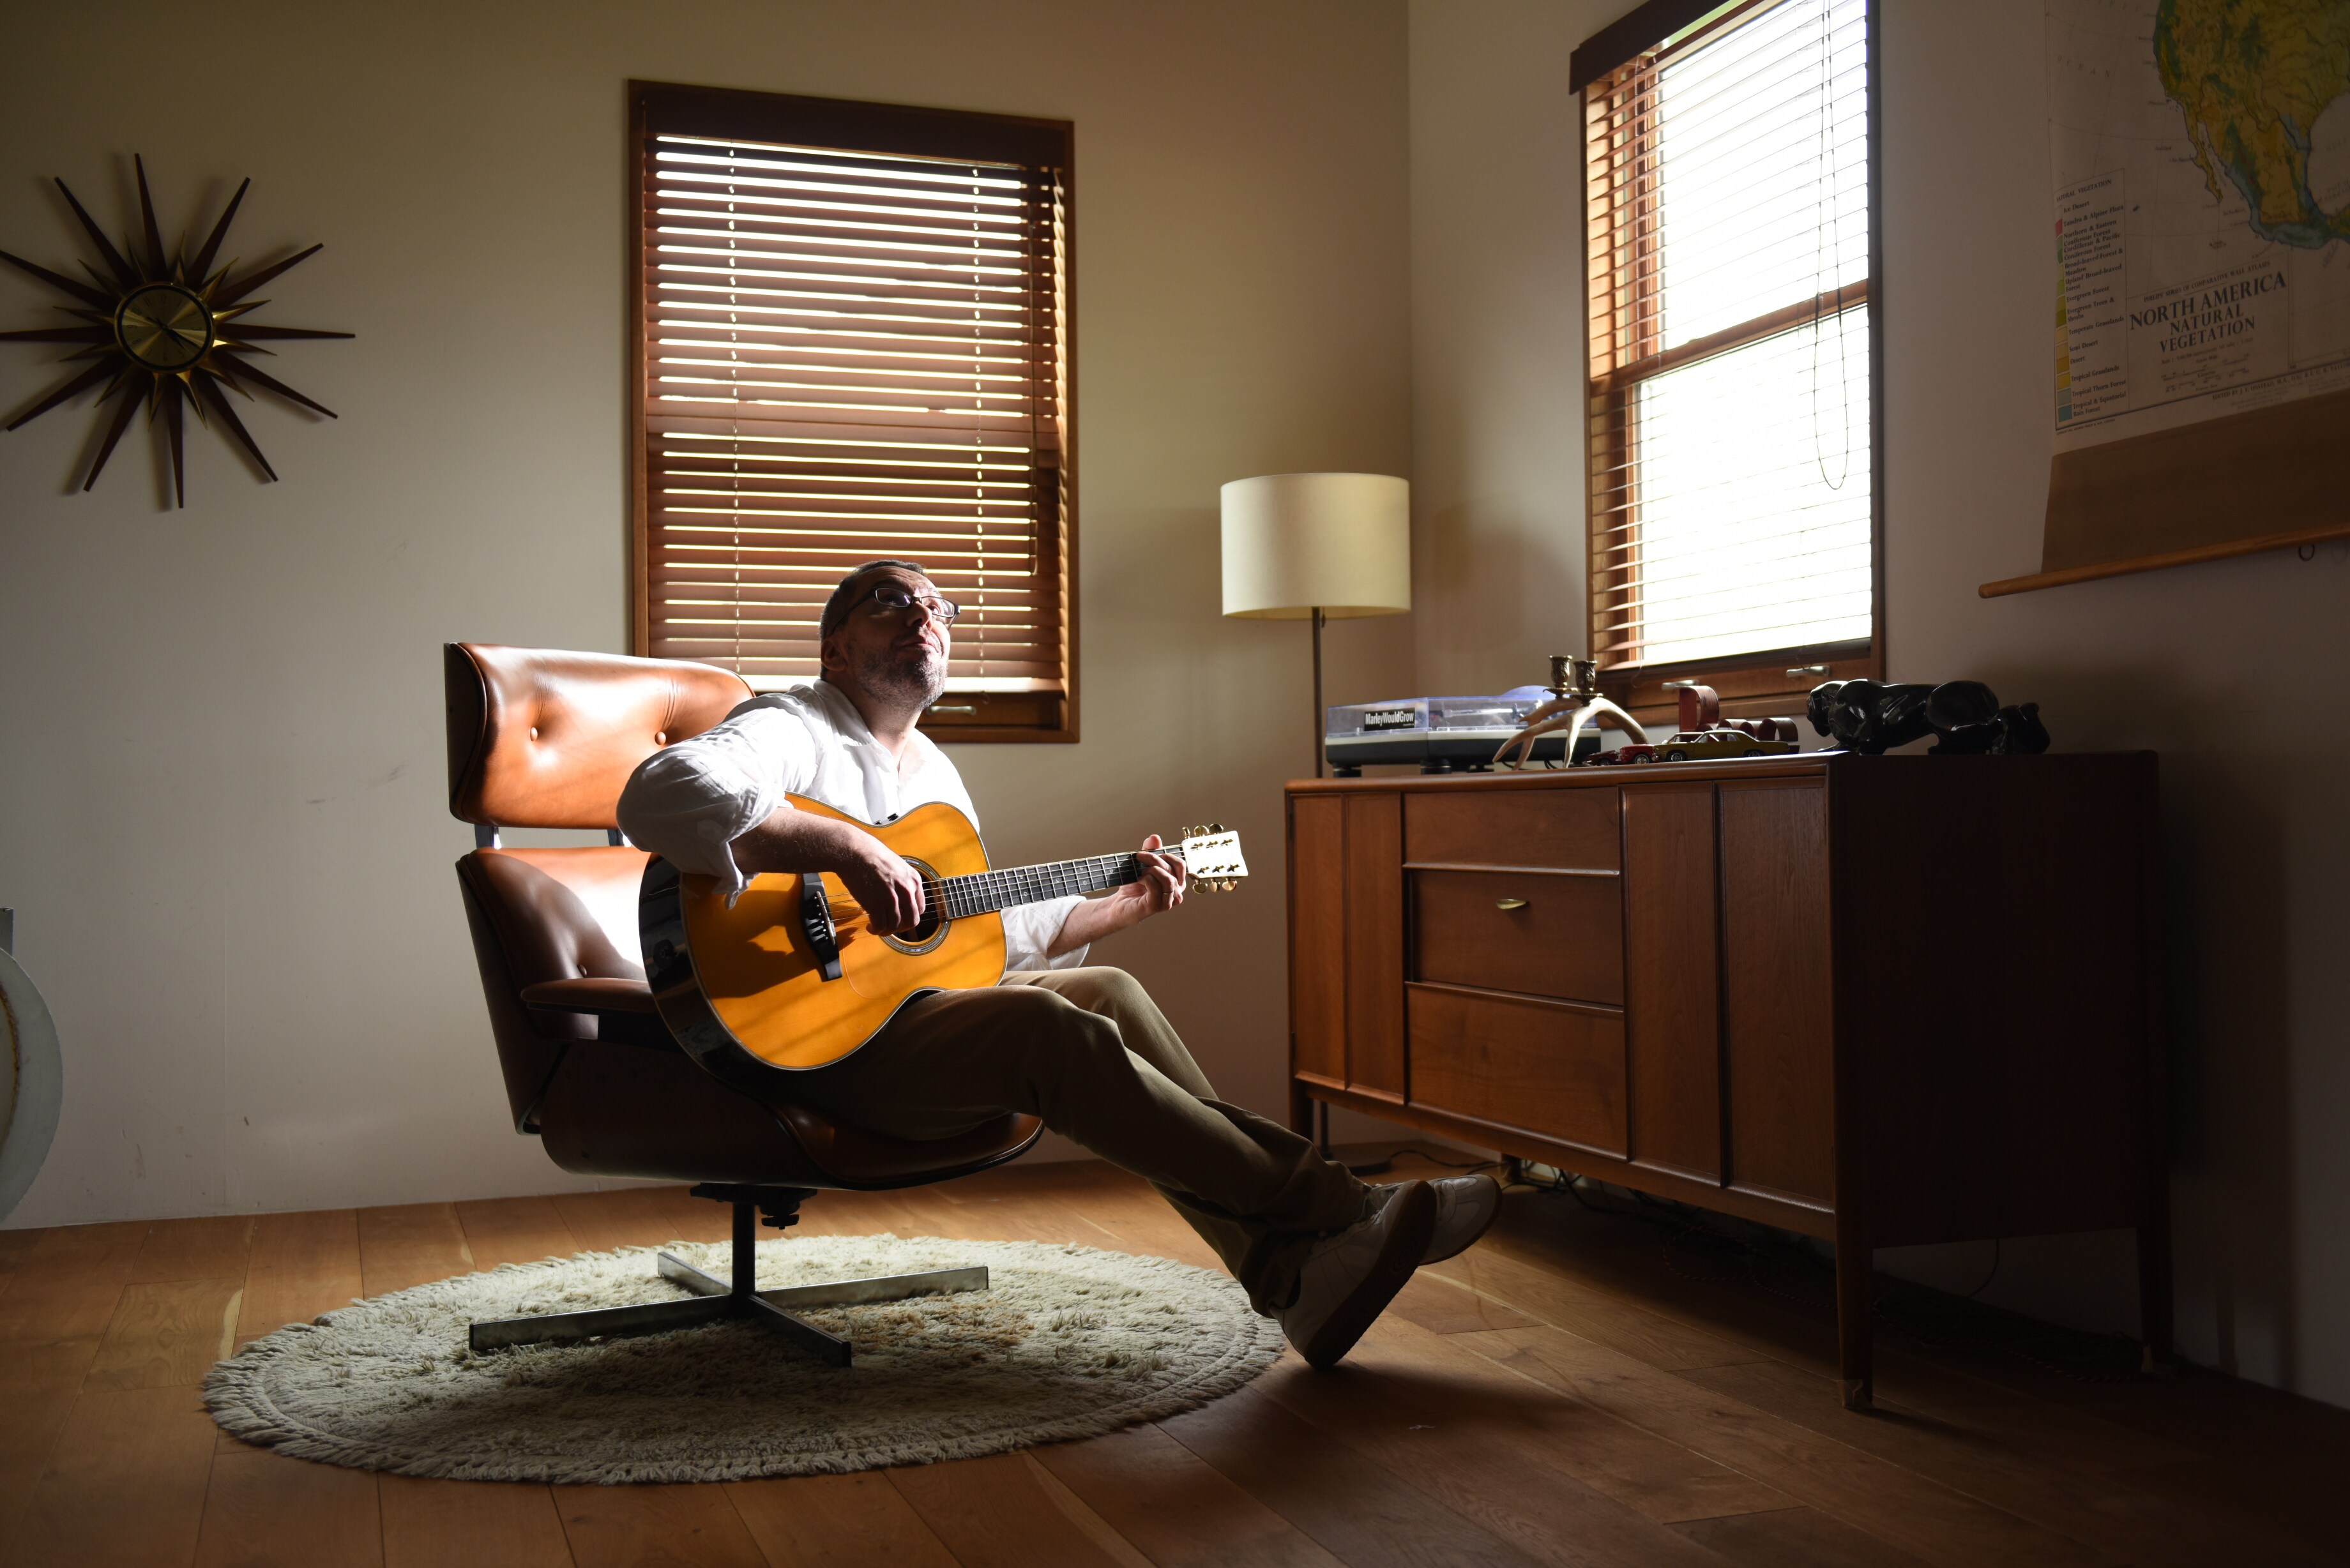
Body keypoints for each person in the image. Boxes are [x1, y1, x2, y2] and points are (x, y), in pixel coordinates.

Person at [619, 559, 1500, 1367]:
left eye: (939, 608)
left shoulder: (931, 774)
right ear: (835, 647)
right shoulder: (790, 724)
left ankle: (1292, 1279)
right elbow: (659, 795)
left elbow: (973, 939)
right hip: (810, 1050)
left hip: (899, 1020)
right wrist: (846, 849)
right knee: (1042, 1021)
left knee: (1106, 990)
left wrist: (1115, 908)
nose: (924, 617)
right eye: (891, 601)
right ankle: (1340, 1209)